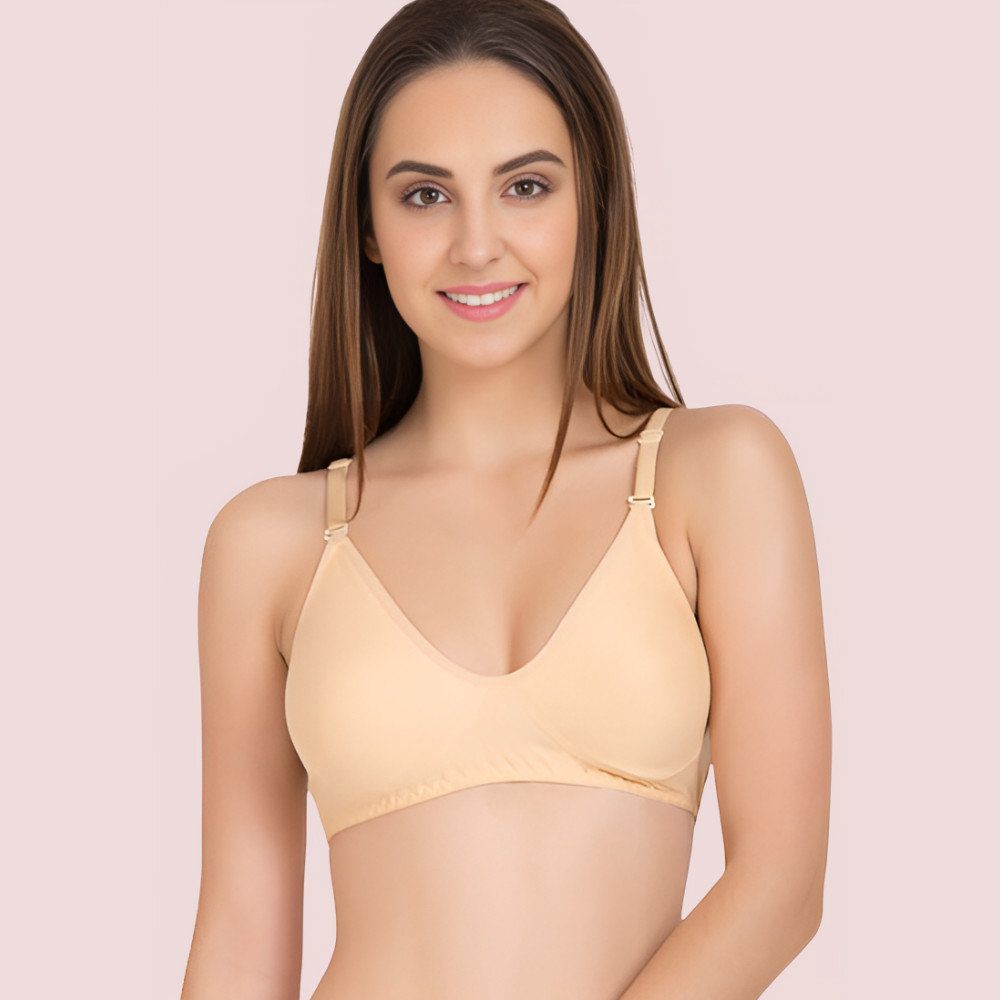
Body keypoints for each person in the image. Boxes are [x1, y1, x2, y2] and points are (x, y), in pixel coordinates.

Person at [180, 1, 831, 997]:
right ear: (367, 227)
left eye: (525, 186)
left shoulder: (716, 475)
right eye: (425, 195)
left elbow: (780, 883)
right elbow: (238, 942)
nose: (476, 244)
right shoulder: (270, 543)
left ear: (593, 199)